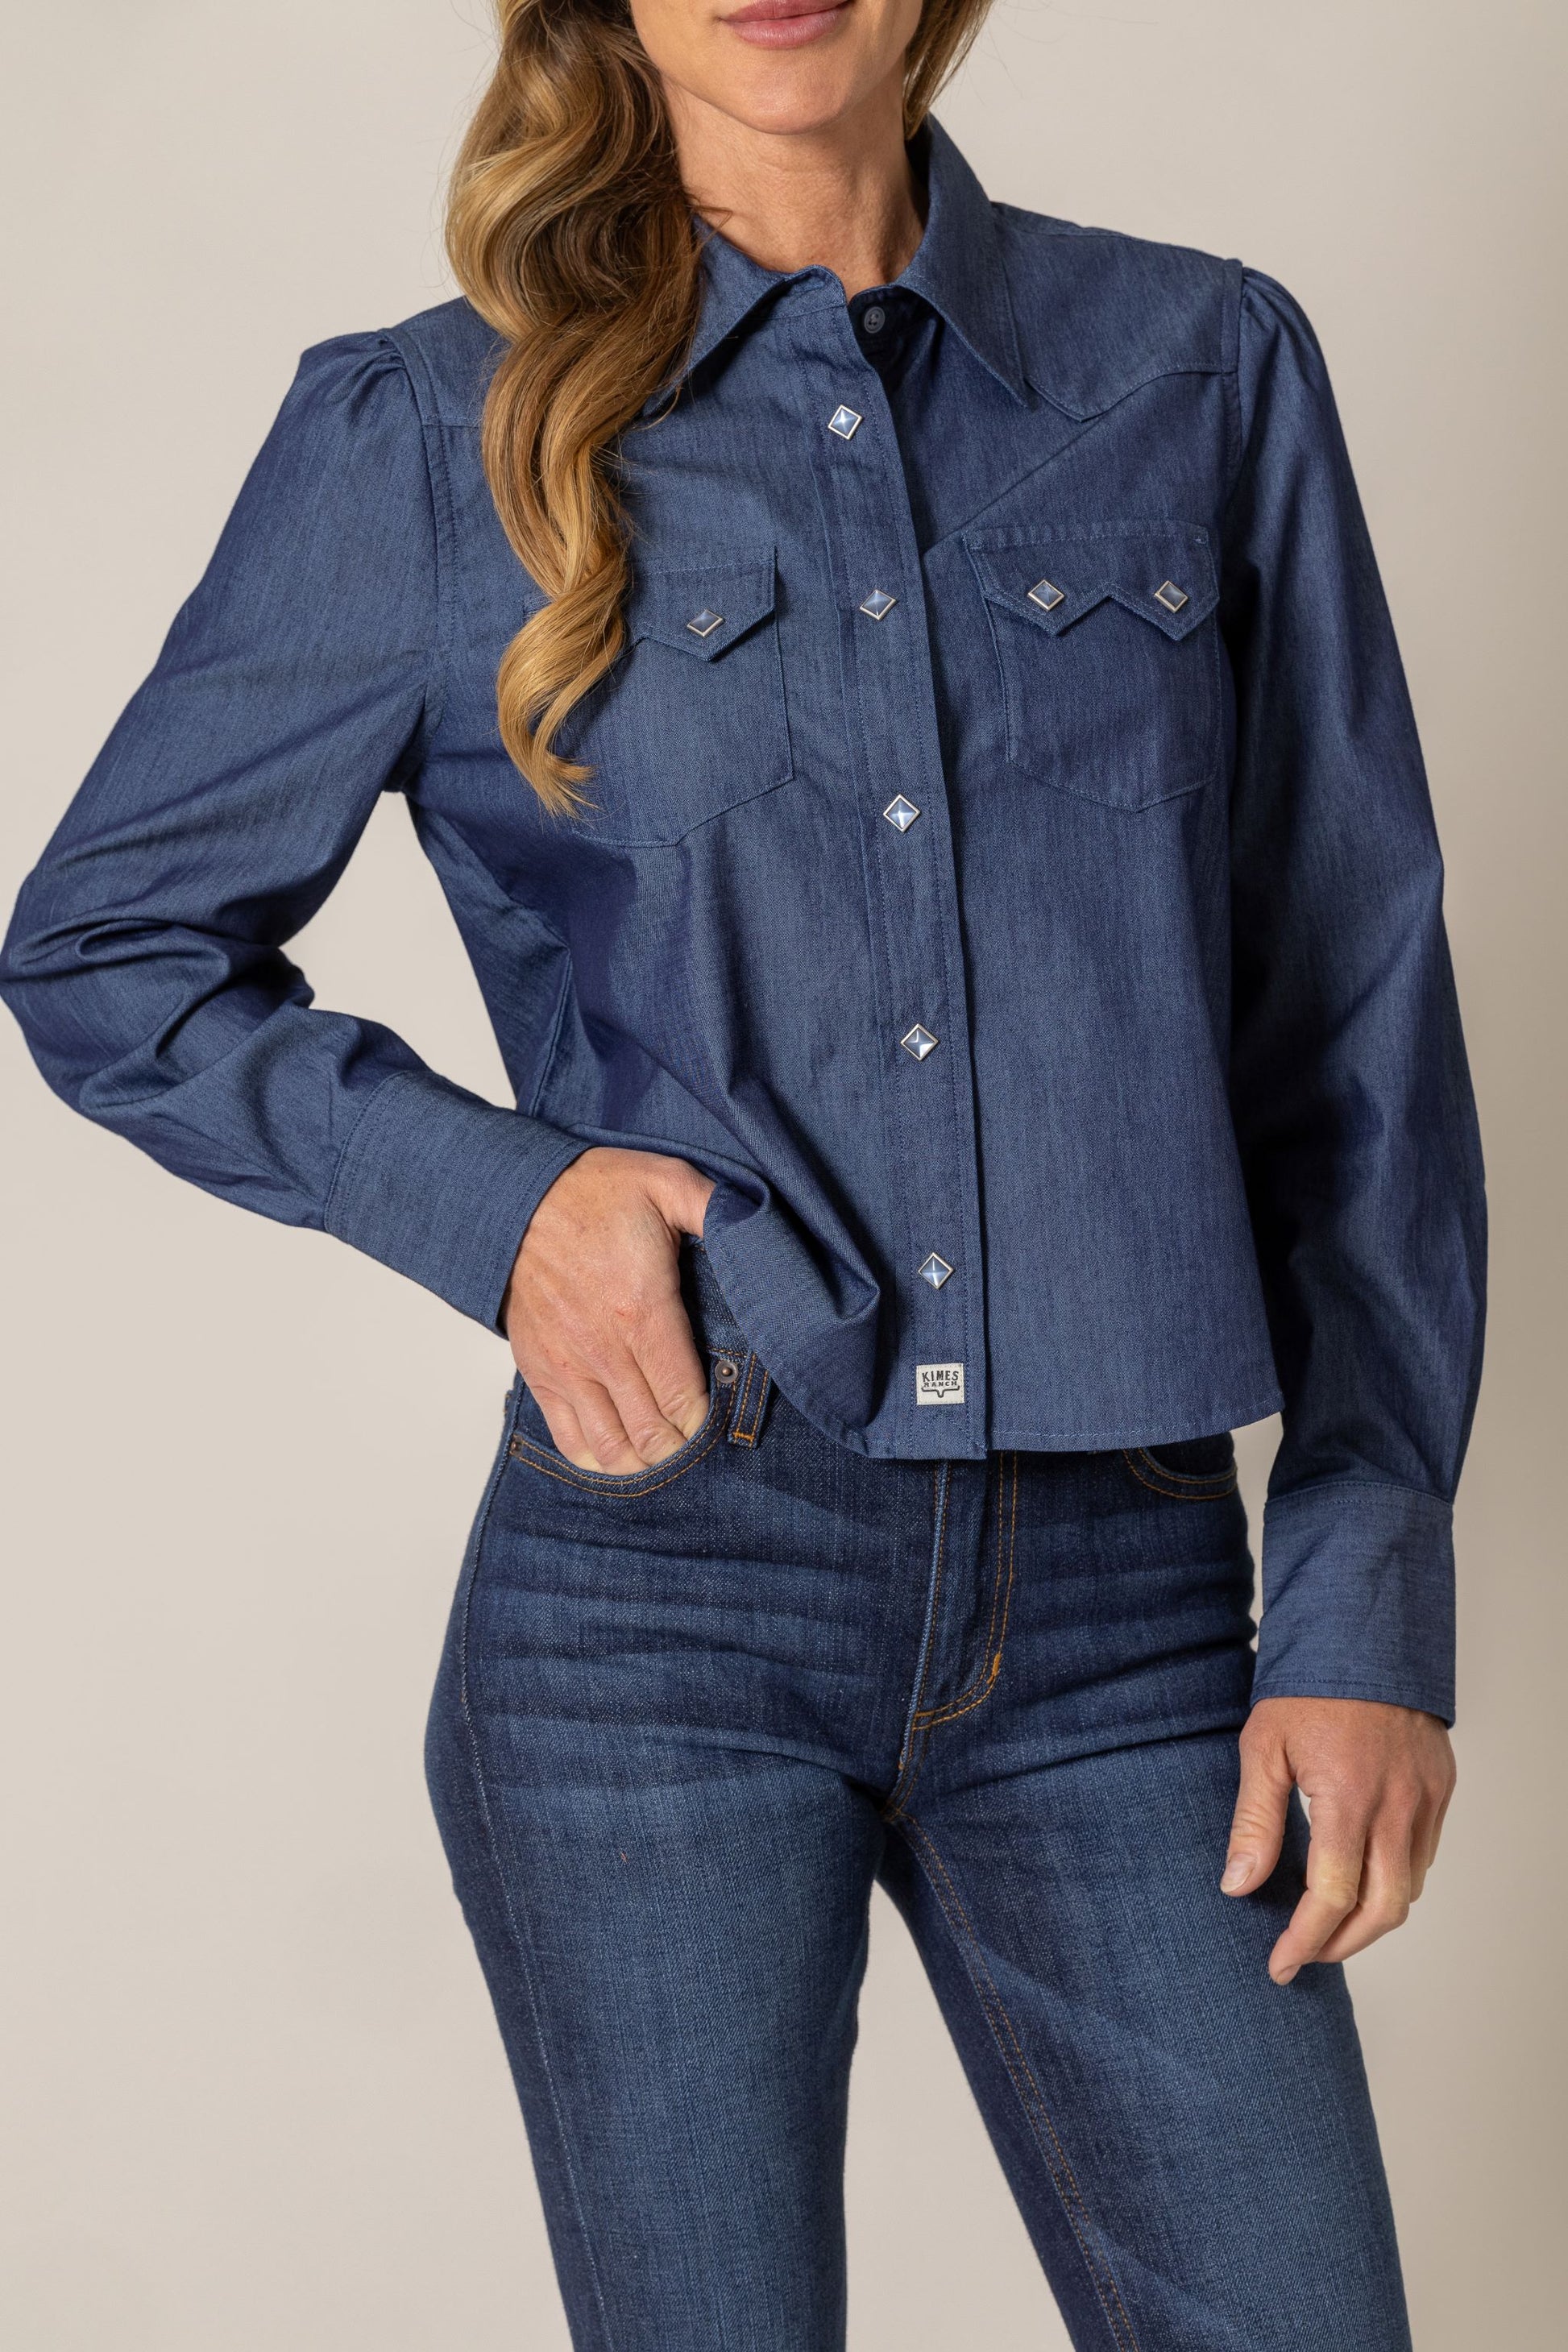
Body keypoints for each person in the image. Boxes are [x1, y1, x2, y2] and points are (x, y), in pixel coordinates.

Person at [0, 0, 1486, 2342]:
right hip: (653, 1610)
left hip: (1133, 1613)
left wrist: (1364, 1603)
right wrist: (505, 1209)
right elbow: (105, 948)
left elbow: (1352, 1023)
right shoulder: (426, 429)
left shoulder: (1199, 368)